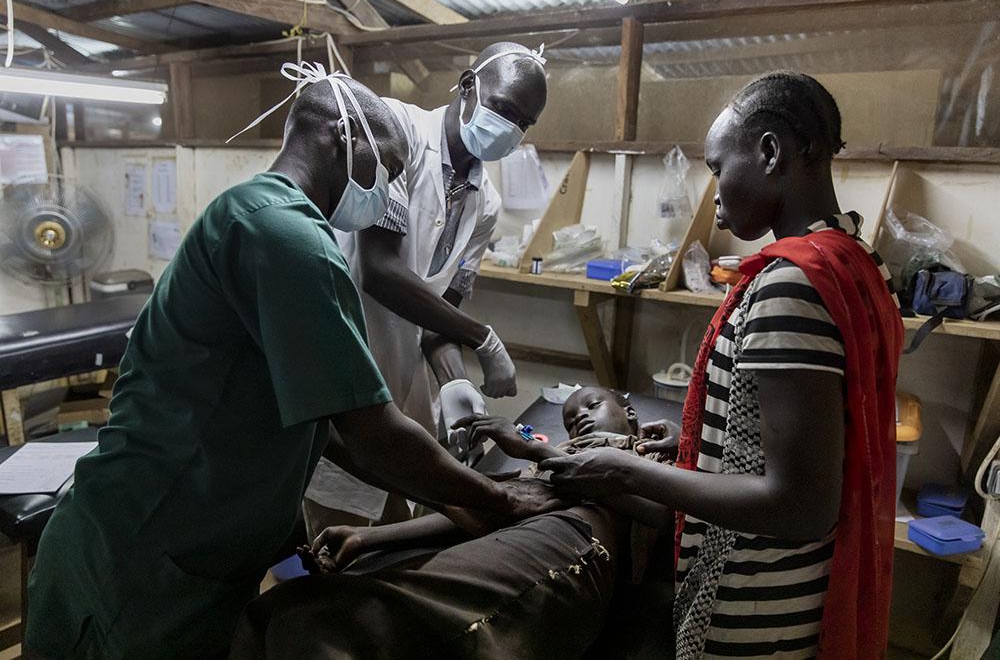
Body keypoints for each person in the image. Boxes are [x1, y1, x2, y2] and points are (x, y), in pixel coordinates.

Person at [25, 74, 560, 660]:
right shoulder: (282, 235)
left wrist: (457, 504)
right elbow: (371, 430)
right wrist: (501, 500)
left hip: (196, 551)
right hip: (140, 552)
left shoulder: (279, 225)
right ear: (341, 137)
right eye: (385, 167)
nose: (386, 190)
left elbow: (324, 422)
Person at [540, 72, 903, 659]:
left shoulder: (792, 286)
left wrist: (622, 472)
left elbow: (801, 502)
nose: (714, 192)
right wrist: (692, 451)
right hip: (798, 591)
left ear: (768, 153)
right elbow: (790, 442)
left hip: (755, 605)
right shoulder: (858, 261)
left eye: (716, 168)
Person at [230, 386, 677, 659]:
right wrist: (369, 537)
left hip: (574, 541)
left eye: (593, 404)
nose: (579, 416)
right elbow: (488, 507)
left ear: (630, 413)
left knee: (320, 625)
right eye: (569, 418)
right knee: (274, 613)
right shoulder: (566, 456)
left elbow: (658, 510)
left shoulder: (641, 453)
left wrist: (544, 453)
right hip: (528, 535)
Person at [305, 41, 549, 535]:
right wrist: (484, 339)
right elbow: (380, 270)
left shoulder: (486, 205)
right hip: (345, 371)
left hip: (406, 397)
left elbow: (438, 315)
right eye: (504, 108)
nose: (511, 128)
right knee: (340, 540)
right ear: (467, 86)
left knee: (397, 538)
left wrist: (454, 382)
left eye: (524, 123)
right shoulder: (397, 133)